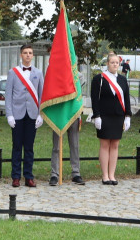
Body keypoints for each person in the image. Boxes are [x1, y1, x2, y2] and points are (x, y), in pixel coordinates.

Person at [6, 44, 44, 188]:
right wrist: (9, 115)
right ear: (21, 55)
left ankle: (28, 176)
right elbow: (8, 95)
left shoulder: (38, 73)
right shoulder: (13, 72)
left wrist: (41, 114)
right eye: (25, 53)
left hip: (32, 114)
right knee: (16, 146)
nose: (28, 55)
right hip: (17, 113)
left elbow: (41, 95)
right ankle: (15, 177)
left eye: (30, 53)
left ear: (33, 56)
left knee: (29, 147)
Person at [91, 52, 131, 184]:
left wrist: (128, 116)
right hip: (104, 116)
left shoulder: (122, 79)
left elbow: (126, 99)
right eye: (112, 62)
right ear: (107, 64)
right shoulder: (99, 79)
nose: (115, 65)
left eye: (117, 63)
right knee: (104, 144)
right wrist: (96, 116)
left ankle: (112, 175)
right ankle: (105, 175)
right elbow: (95, 99)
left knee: (115, 145)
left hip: (118, 116)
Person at [50, 117, 84, 185]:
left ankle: (76, 173)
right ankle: (54, 174)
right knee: (56, 146)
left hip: (73, 112)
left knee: (74, 145)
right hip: (59, 113)